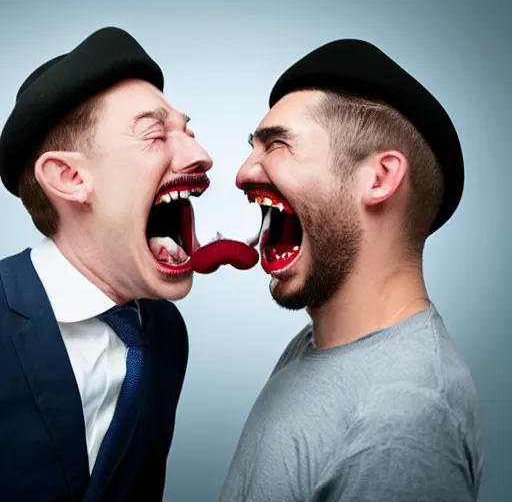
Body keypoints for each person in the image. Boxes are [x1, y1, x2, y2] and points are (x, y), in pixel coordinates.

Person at [219, 39, 484, 501]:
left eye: (277, 145)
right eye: (253, 148)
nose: (243, 172)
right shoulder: (316, 343)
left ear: (379, 178)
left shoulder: (405, 415)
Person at [0, 27, 213, 501]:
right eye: (156, 135)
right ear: (71, 177)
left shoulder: (165, 334)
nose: (202, 156)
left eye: (189, 132)